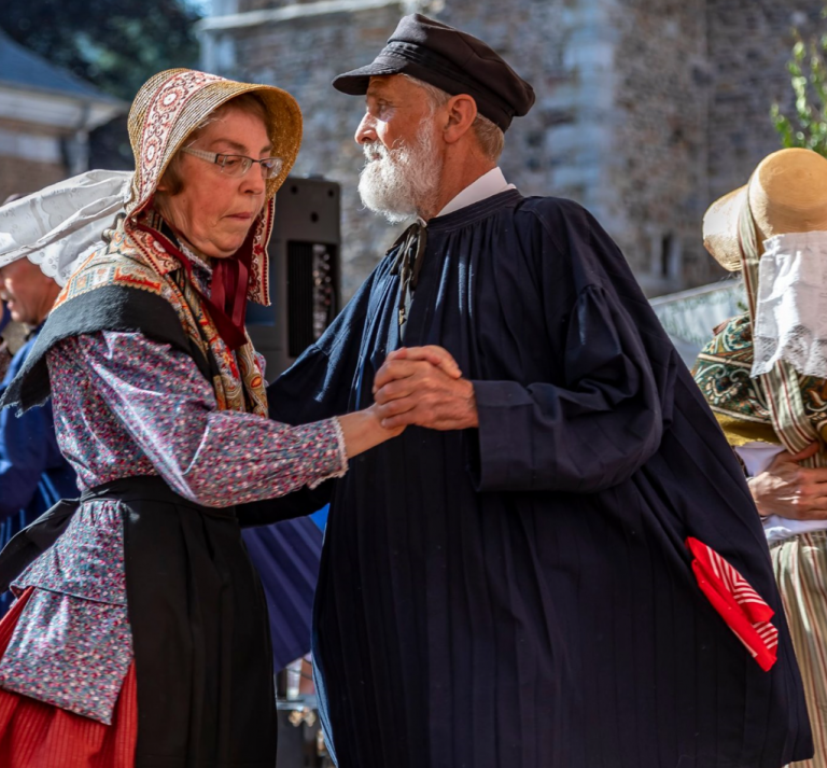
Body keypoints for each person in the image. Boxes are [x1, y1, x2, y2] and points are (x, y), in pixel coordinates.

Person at [246, 14, 813, 768]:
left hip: (506, 659)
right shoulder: (391, 273)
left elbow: (627, 409)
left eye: (382, 107)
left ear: (455, 116)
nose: (362, 131)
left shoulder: (548, 233)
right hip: (389, 656)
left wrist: (479, 406)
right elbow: (293, 423)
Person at [0, 68, 406, 768]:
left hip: (188, 585)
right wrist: (379, 421)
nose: (254, 184)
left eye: (262, 163)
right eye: (227, 158)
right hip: (120, 617)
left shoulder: (184, 292)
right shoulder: (117, 293)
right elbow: (202, 457)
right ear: (163, 172)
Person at [694, 147, 827, 768]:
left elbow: (680, 493)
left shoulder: (726, 354)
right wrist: (754, 496)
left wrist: (750, 498)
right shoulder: (729, 351)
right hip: (784, 586)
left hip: (789, 580)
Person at [0, 246, 77, 616]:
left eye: (6, 270)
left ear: (48, 266)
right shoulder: (82, 332)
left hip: (47, 541)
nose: (1, 286)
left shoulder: (40, 353)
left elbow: (14, 476)